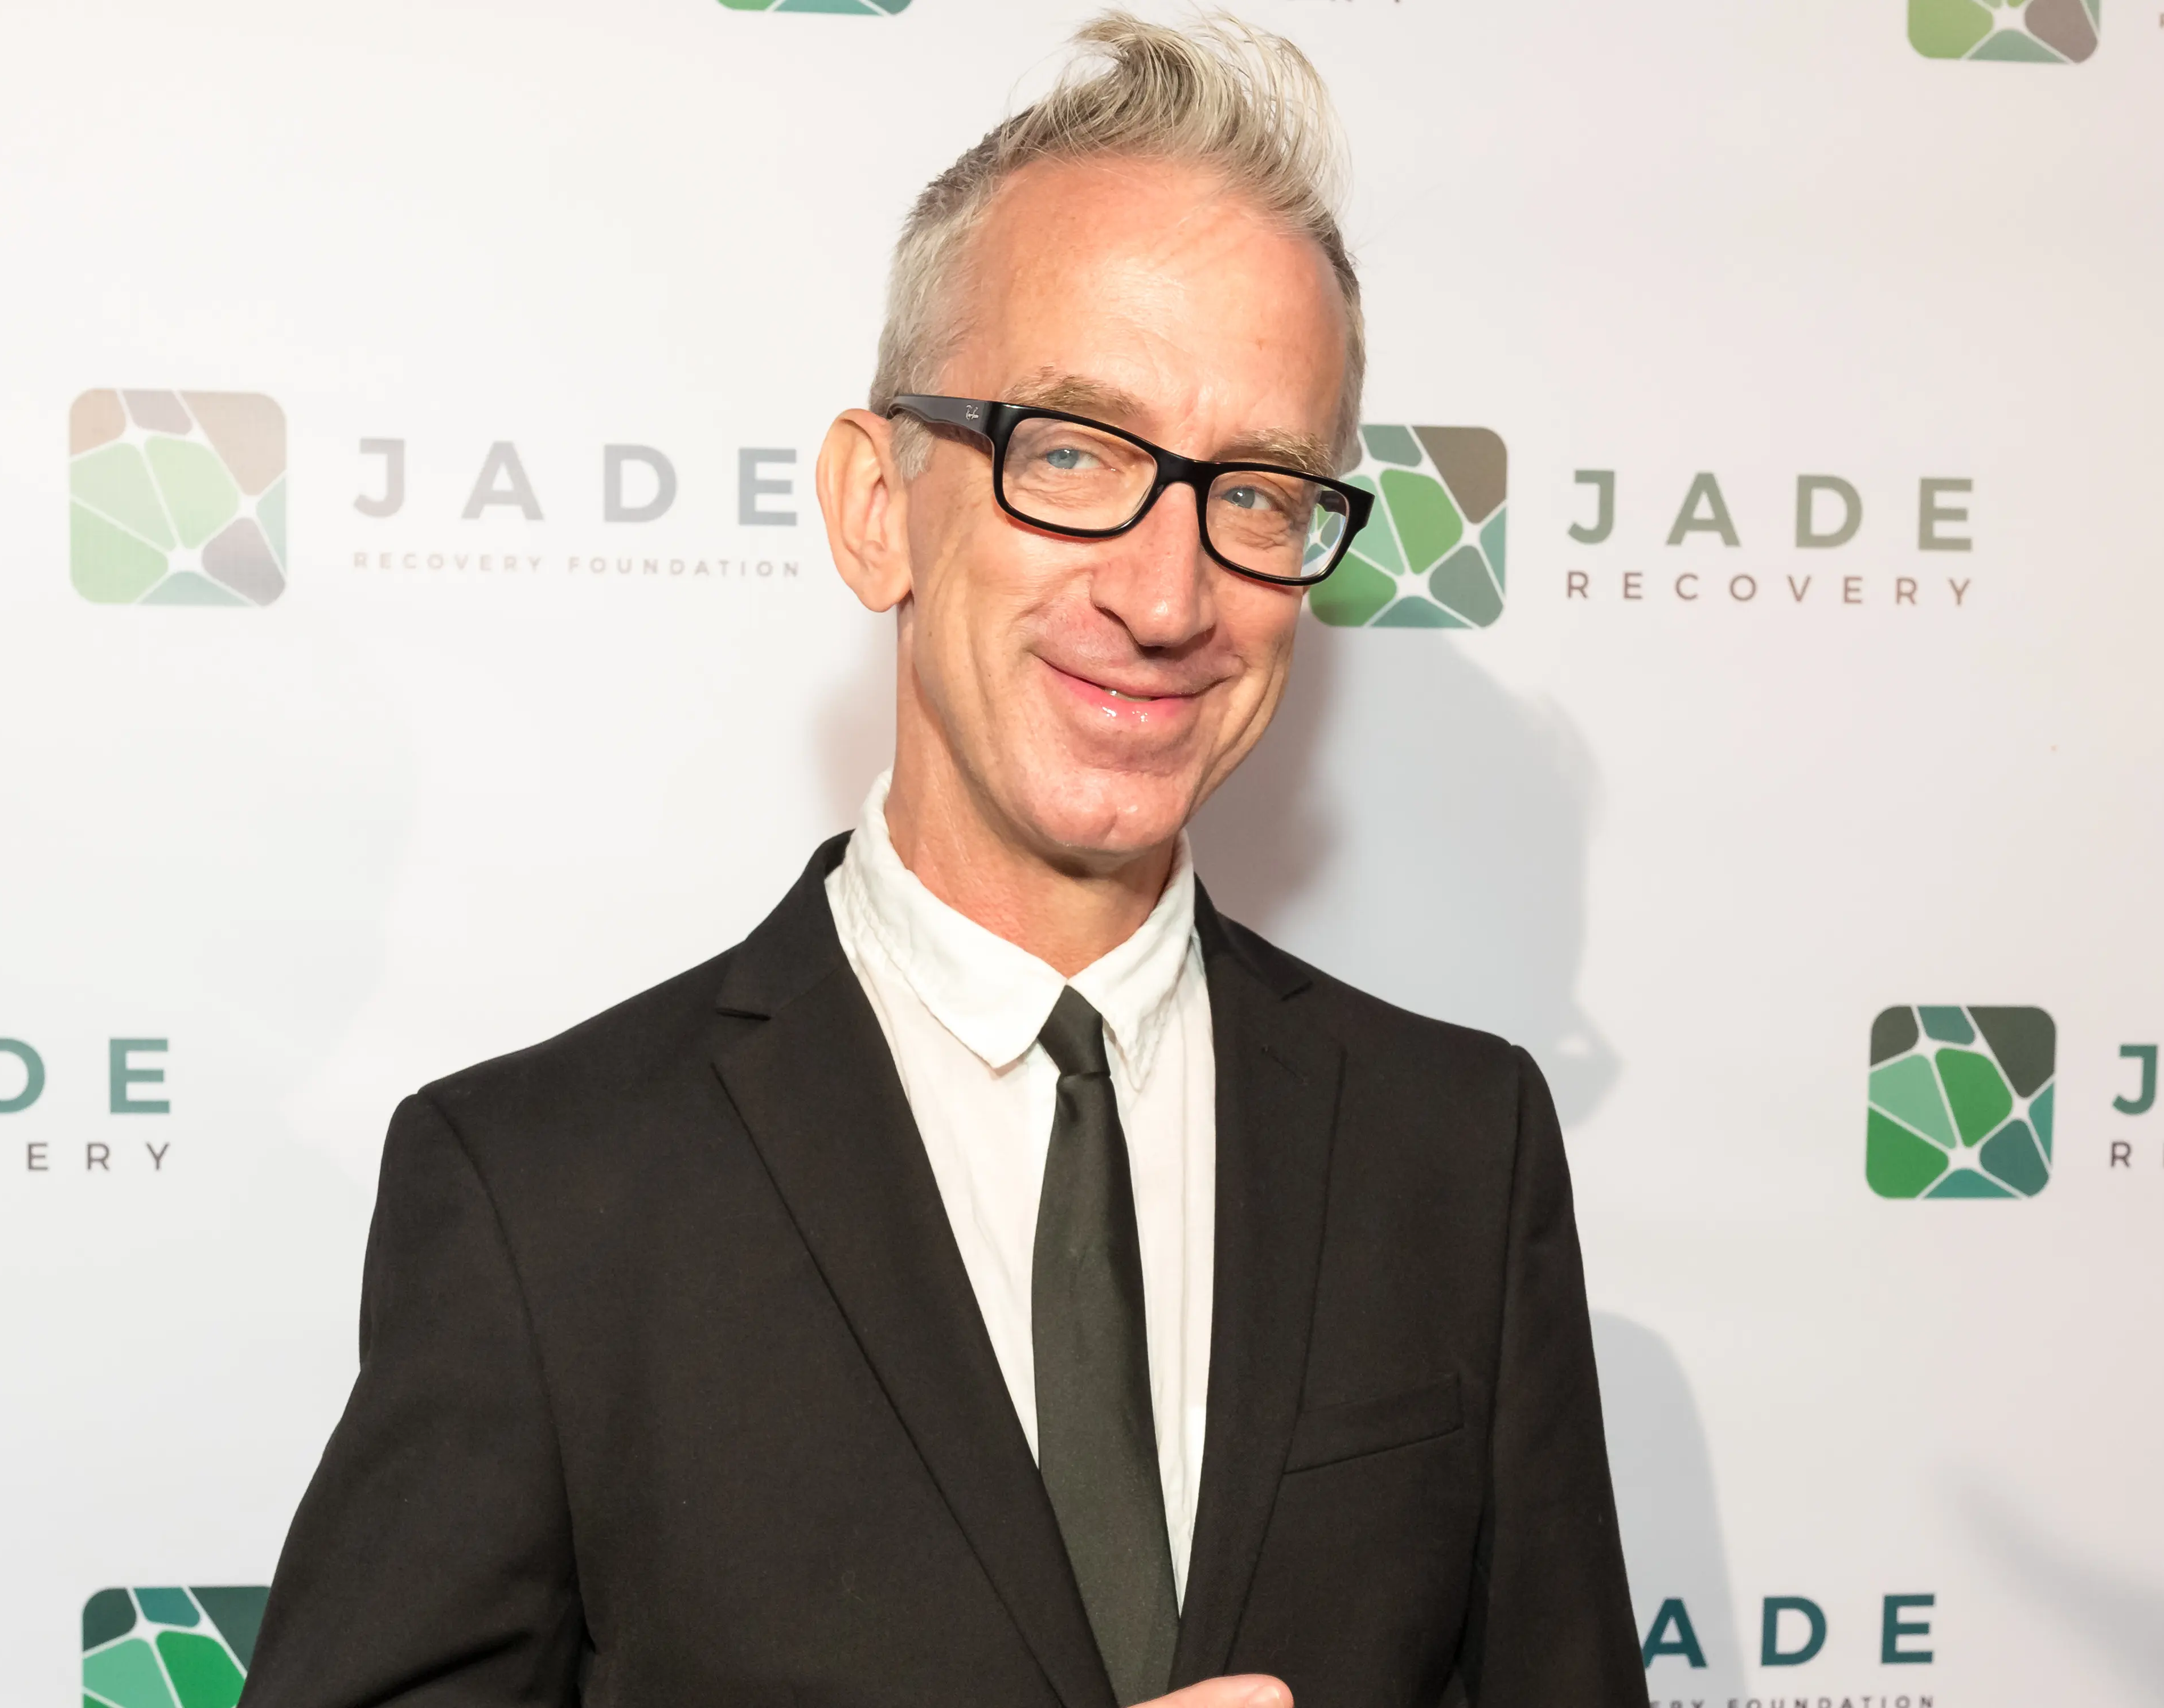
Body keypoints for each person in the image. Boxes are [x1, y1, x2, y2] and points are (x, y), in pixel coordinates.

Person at [243, 15, 1644, 1708]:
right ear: (873, 505)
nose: (1167, 594)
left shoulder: (1455, 1154)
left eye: (1259, 492)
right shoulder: (551, 1195)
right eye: (1071, 455)